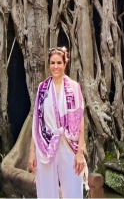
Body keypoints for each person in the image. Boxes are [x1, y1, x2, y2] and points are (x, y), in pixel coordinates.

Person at [29, 46, 88, 198]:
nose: (55, 66)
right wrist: (31, 153)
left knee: (73, 188)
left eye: (59, 63)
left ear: (65, 63)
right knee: (46, 191)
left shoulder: (74, 88)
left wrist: (80, 151)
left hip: (69, 143)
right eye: (52, 63)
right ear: (49, 64)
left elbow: (80, 120)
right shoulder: (42, 89)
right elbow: (37, 123)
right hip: (45, 145)